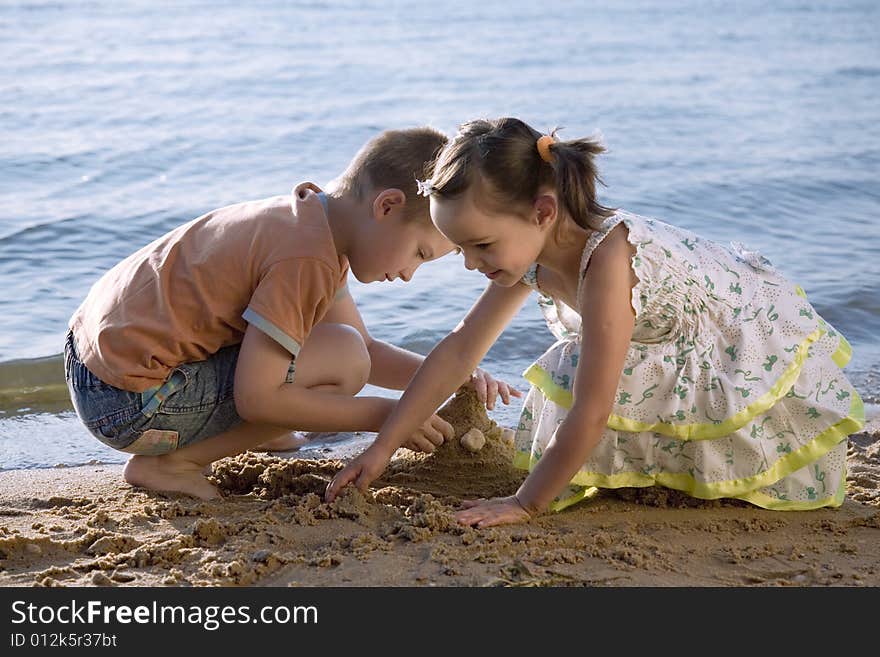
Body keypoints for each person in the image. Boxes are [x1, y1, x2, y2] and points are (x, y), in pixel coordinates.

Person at [325, 117, 865, 527]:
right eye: (461, 248)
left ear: (542, 211)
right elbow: (460, 349)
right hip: (657, 336)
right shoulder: (526, 254)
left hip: (726, 332)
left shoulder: (608, 261)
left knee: (610, 395)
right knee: (597, 373)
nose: (471, 263)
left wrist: (526, 502)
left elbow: (594, 408)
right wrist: (381, 449)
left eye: (481, 245)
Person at [64, 126, 520, 500]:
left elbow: (370, 350)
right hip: (129, 403)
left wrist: (454, 377)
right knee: (341, 359)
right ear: (386, 206)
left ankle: (257, 436)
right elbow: (259, 398)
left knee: (347, 350)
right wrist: (385, 415)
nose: (408, 276)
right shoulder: (306, 260)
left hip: (97, 366)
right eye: (420, 253)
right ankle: (171, 462)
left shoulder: (313, 222)